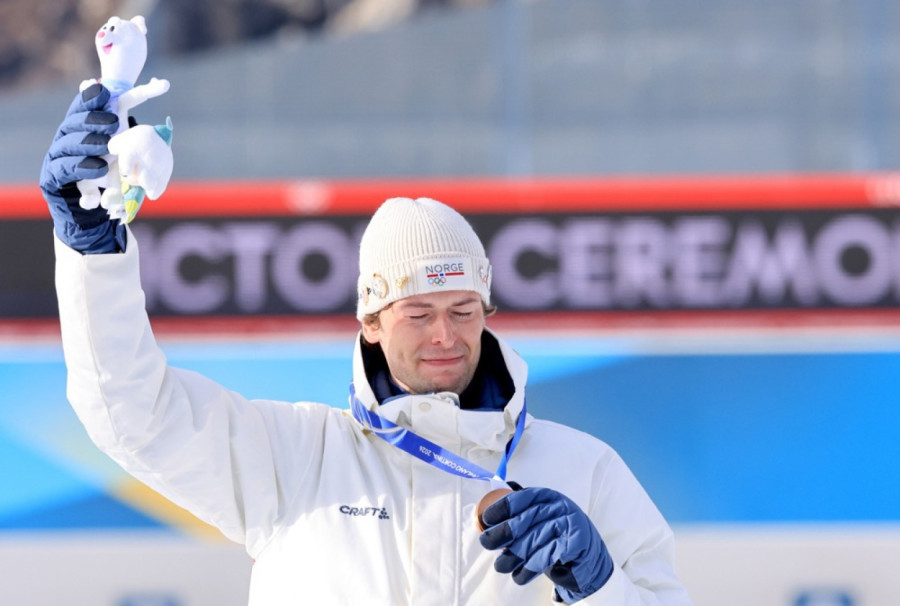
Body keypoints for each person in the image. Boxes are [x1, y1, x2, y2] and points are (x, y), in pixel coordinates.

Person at [41, 84, 694, 605]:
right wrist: (92, 254)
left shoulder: (583, 471)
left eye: (463, 310)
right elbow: (132, 411)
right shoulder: (293, 459)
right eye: (418, 314)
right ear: (371, 322)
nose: (444, 335)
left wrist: (597, 587)